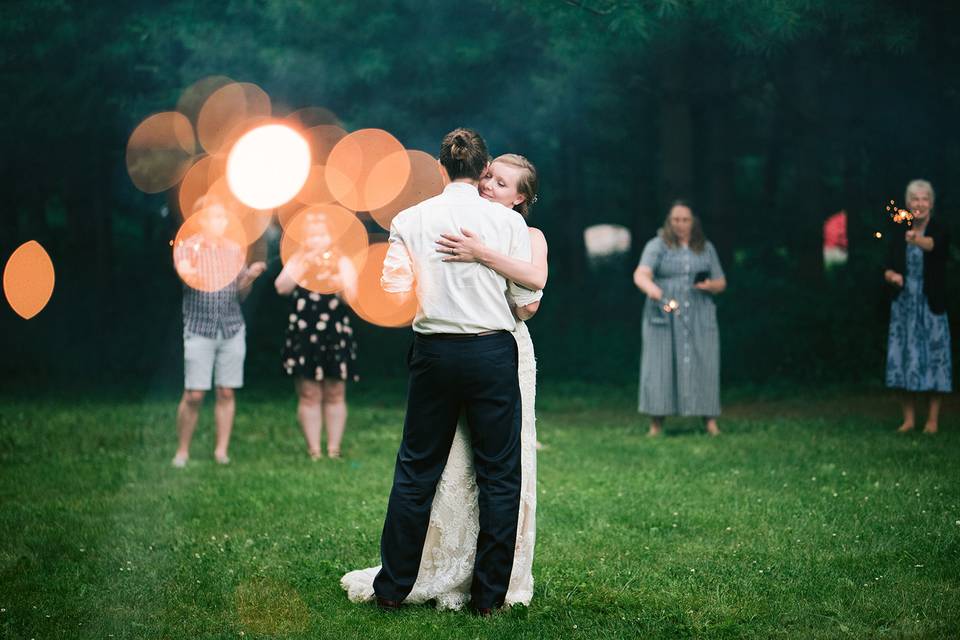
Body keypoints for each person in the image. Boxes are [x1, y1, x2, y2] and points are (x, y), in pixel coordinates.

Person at [341, 128, 541, 616]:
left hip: (433, 353)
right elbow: (523, 303)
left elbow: (392, 288)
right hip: (492, 353)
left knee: (415, 470)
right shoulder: (506, 223)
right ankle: (488, 599)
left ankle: (392, 587)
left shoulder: (410, 218)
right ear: (483, 168)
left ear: (441, 167)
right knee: (499, 475)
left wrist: (432, 287)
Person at [171, 198, 266, 467]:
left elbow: (240, 293)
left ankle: (221, 451)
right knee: (194, 394)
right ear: (200, 220)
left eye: (224, 218)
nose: (220, 223)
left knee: (226, 392)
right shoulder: (188, 249)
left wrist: (248, 278)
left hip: (231, 327)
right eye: (214, 217)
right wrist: (191, 271)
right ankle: (182, 451)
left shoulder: (234, 250)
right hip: (199, 328)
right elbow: (187, 277)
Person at [633, 201, 726, 437]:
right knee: (660, 364)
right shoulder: (657, 245)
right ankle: (656, 424)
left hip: (699, 312)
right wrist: (652, 290)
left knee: (705, 362)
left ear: (693, 222)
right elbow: (641, 274)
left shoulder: (706, 248)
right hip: (664, 311)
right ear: (669, 221)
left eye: (685, 220)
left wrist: (709, 285)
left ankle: (710, 421)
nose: (680, 224)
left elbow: (720, 282)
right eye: (676, 219)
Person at [275, 212, 359, 459]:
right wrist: (303, 261)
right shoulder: (298, 259)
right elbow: (281, 287)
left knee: (335, 391)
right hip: (304, 331)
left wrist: (338, 282)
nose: (316, 239)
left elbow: (352, 298)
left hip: (334, 332)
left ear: (331, 236)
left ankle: (333, 449)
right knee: (309, 392)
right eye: (311, 235)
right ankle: (314, 450)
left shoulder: (343, 261)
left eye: (321, 234)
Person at [884, 179, 952, 434]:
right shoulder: (898, 230)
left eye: (924, 199)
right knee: (904, 359)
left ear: (931, 204)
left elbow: (934, 246)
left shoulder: (940, 229)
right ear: (908, 203)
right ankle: (909, 420)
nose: (920, 204)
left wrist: (915, 240)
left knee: (936, 359)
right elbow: (886, 264)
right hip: (905, 306)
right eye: (915, 199)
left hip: (931, 304)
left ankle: (932, 421)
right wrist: (891, 275)